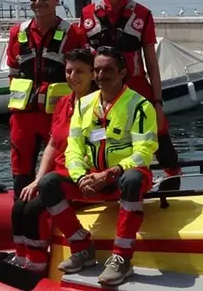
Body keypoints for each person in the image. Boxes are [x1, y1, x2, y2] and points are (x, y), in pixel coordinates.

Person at [40, 46, 159, 287]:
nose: (101, 75)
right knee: (48, 183)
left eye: (108, 69)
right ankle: (81, 246)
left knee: (133, 179)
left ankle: (121, 258)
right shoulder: (84, 105)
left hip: (121, 176)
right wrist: (81, 176)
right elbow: (73, 147)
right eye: (97, 70)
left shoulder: (140, 106)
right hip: (92, 177)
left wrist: (111, 172)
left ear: (123, 72)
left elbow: (144, 152)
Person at [81, 0, 182, 190]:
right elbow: (84, 63)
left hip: (137, 89)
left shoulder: (142, 15)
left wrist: (157, 101)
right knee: (102, 140)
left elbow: (152, 63)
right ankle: (107, 184)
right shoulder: (88, 14)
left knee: (160, 138)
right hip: (102, 94)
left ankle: (174, 182)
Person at [9, 49, 98, 272]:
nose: (72, 76)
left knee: (34, 211)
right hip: (56, 176)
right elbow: (52, 144)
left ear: (93, 74)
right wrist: (36, 180)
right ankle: (22, 259)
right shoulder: (63, 103)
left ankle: (38, 265)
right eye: (68, 71)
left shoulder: (99, 106)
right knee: (20, 204)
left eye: (80, 71)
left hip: (81, 176)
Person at [5, 0, 88, 199]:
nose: (38, 2)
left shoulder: (74, 34)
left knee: (59, 169)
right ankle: (22, 218)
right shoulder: (17, 33)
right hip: (23, 118)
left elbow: (85, 76)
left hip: (58, 115)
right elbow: (12, 72)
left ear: (56, 0)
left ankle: (62, 215)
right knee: (21, 172)